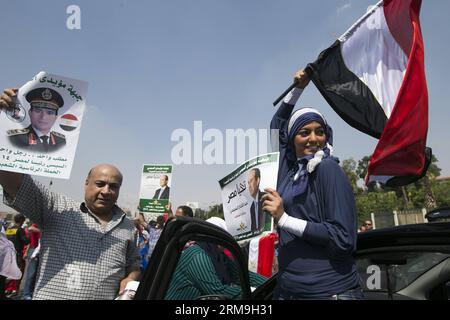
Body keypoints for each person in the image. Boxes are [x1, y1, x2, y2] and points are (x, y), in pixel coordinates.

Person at [262, 69, 363, 300]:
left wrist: (284, 218)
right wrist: (298, 89)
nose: (313, 139)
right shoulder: (289, 171)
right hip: (289, 290)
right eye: (304, 132)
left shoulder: (327, 168)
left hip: (328, 292)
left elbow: (342, 237)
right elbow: (277, 127)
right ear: (292, 139)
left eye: (320, 132)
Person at [0, 162, 140, 300]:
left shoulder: (128, 227)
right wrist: (11, 150)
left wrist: (130, 278)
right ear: (86, 183)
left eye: (113, 186)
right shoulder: (57, 209)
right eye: (100, 184)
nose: (106, 191)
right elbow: (17, 186)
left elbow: (133, 265)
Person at [165, 217, 267, 300]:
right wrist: (253, 292)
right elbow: (217, 291)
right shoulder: (198, 256)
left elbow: (244, 276)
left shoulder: (219, 256)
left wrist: (271, 283)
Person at [3, 88, 66, 152]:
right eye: (38, 111)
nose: (43, 117)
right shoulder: (14, 139)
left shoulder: (61, 141)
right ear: (30, 113)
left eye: (49, 113)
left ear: (56, 117)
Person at [247, 168, 270, 233]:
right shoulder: (252, 207)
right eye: (248, 183)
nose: (249, 186)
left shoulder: (266, 198)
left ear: (258, 181)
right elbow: (253, 229)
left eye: (251, 181)